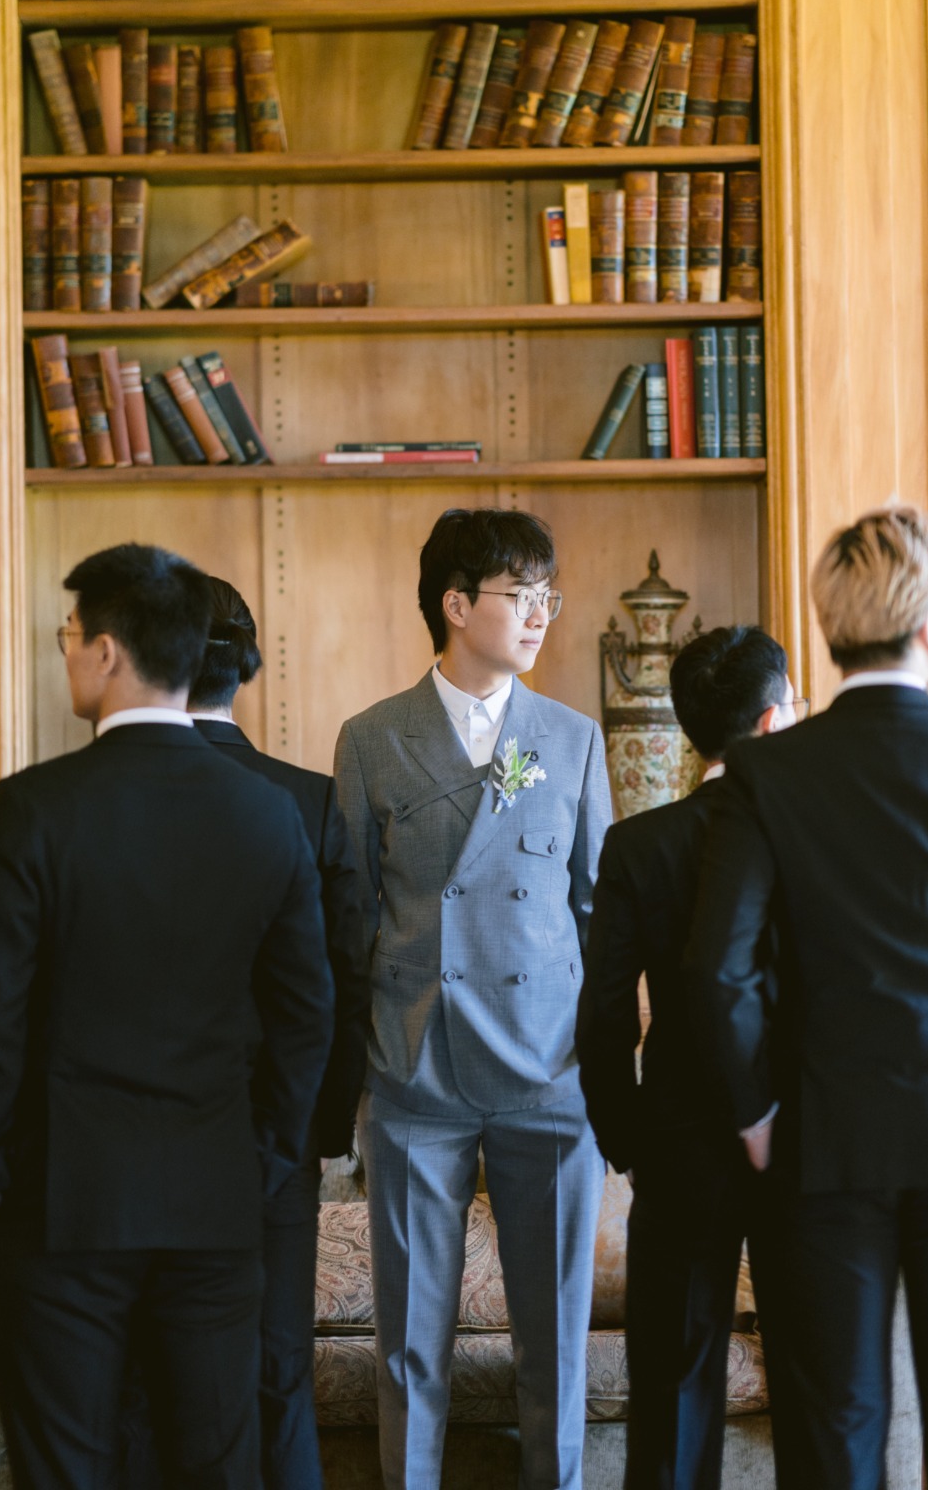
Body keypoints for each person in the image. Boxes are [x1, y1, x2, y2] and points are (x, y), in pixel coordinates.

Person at [0, 543, 335, 1490]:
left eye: (70, 635)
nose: (67, 652)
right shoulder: (266, 812)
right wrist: (269, 1157)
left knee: (67, 1463)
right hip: (216, 1195)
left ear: (110, 651)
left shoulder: (34, 807)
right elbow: (306, 1011)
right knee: (217, 1460)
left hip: (57, 1203)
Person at [688, 504, 928, 1490]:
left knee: (835, 1424)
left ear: (831, 628)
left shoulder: (766, 772)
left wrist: (759, 1114)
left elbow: (717, 969)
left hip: (823, 1138)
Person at [334, 507, 612, 1490]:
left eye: (548, 595)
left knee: (555, 1338)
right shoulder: (371, 740)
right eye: (517, 594)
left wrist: (610, 1077)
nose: (540, 613)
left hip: (549, 1071)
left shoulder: (572, 740)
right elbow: (349, 910)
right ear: (456, 605)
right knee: (410, 1343)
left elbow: (600, 918)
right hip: (418, 1070)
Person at [576, 625, 800, 1490]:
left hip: (674, 1143)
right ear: (776, 718)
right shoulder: (807, 836)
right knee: (815, 1384)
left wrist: (626, 1137)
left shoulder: (640, 845)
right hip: (795, 1140)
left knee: (671, 1391)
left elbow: (602, 1019)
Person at [189, 576, 370, 1489]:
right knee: (278, 1367)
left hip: (137, 1140)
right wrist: (323, 1126)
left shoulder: (85, 797)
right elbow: (346, 977)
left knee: (159, 1378)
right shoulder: (308, 799)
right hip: (277, 1131)